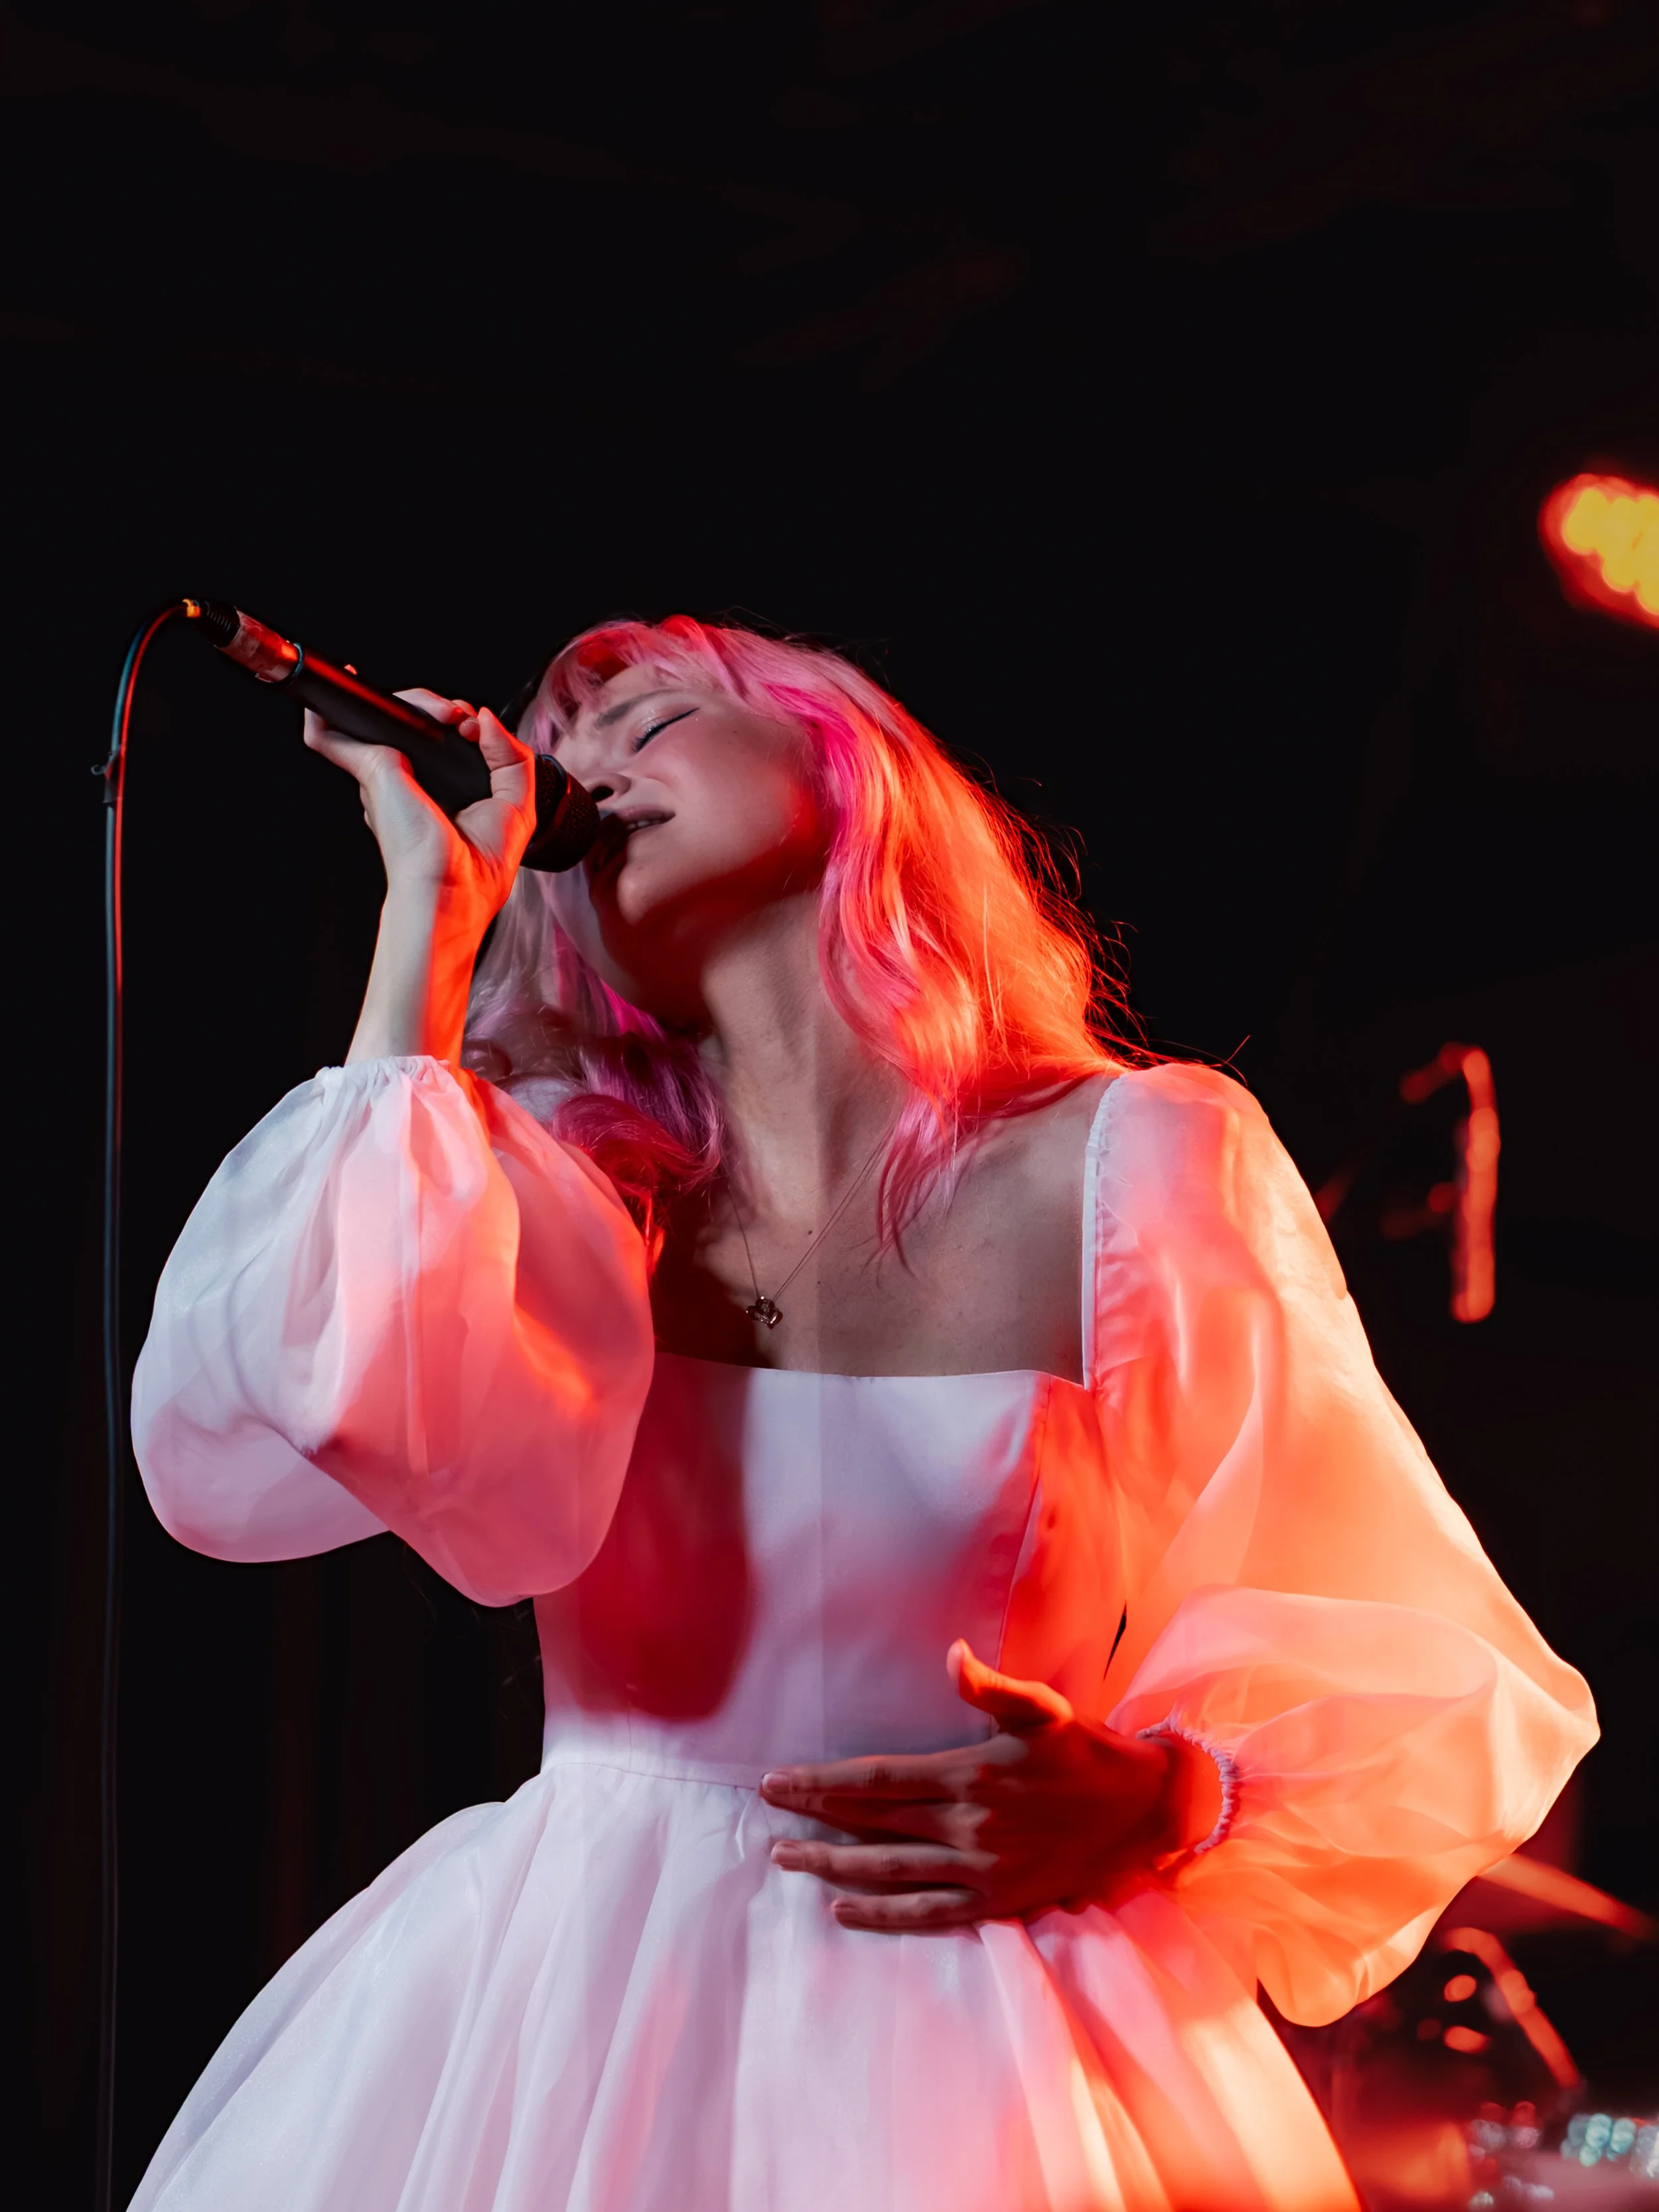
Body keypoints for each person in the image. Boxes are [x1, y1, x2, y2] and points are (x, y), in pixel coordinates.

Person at [128, 617, 1595, 2212]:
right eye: (573, 750)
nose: (594, 768)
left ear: (846, 761)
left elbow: (1404, 1621)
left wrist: (1171, 1792)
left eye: (655, 718)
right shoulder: (555, 1189)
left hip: (990, 2017)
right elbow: (306, 1392)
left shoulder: (1136, 1157)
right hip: (570, 2010)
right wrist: (426, 913)